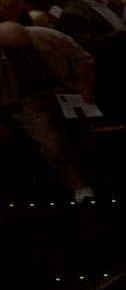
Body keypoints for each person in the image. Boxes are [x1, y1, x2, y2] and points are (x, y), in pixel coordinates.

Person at [0, 20, 99, 201]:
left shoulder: (49, 36)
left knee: (84, 134)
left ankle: (101, 174)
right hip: (24, 102)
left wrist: (84, 87)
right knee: (53, 145)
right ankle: (80, 186)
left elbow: (82, 59)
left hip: (64, 88)